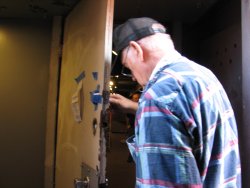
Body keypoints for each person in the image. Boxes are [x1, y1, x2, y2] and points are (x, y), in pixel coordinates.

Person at [109, 17, 241, 187]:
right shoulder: (202, 75)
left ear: (136, 50)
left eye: (128, 68)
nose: (133, 76)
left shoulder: (157, 96)